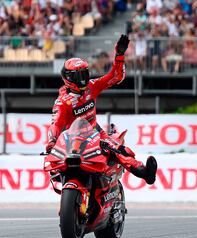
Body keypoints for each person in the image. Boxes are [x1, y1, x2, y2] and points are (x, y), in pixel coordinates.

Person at [45, 34, 157, 185]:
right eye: (79, 76)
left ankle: (144, 173)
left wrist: (119, 55)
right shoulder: (62, 102)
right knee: (55, 165)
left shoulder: (92, 86)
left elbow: (116, 77)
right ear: (68, 78)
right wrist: (51, 142)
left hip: (95, 133)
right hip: (71, 141)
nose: (83, 79)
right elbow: (56, 124)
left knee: (119, 150)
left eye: (85, 73)